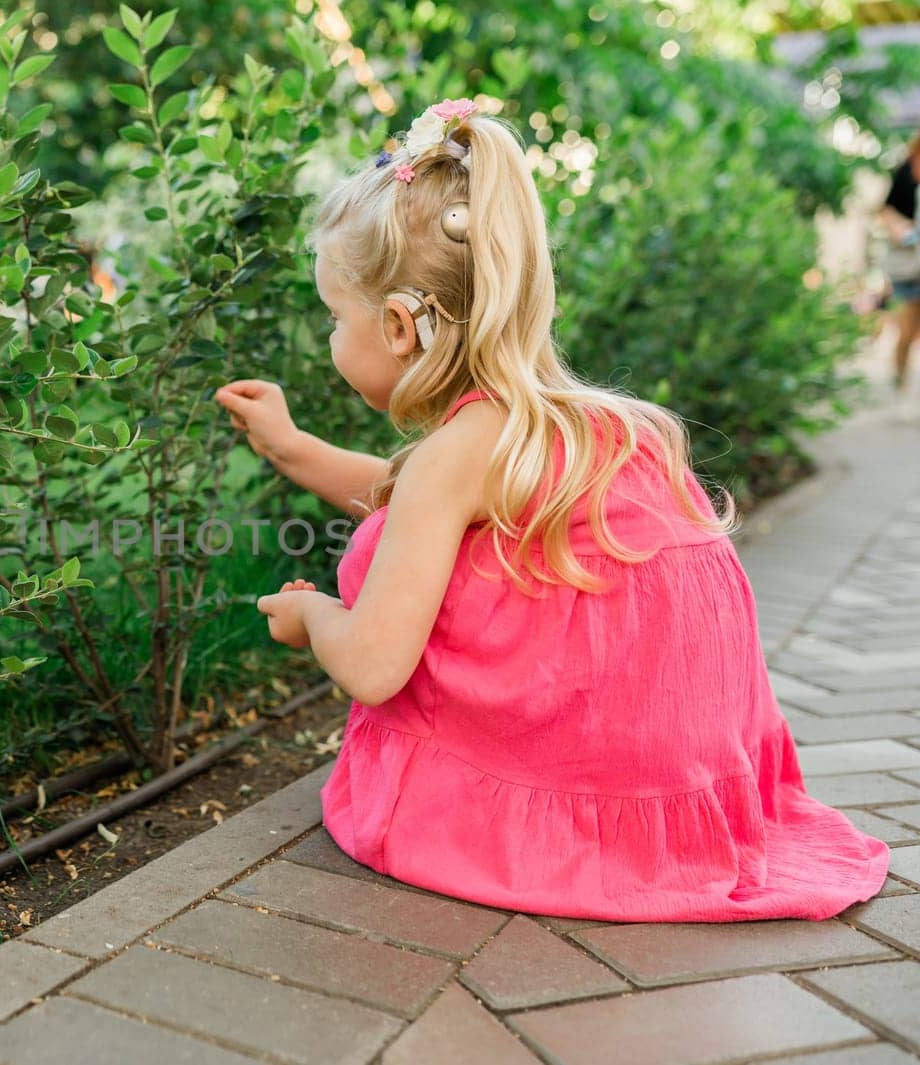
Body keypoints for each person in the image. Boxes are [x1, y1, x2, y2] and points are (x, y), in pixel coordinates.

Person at [213, 98, 889, 922]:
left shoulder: (459, 454)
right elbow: (422, 512)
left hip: (559, 809)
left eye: (333, 317)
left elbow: (372, 664)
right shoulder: (586, 424)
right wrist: (291, 447)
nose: (328, 335)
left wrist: (314, 614)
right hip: (679, 800)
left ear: (397, 325)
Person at [880, 132, 920, 392]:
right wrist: (903, 230)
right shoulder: (905, 171)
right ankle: (900, 383)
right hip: (910, 265)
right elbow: (886, 210)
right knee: (907, 332)